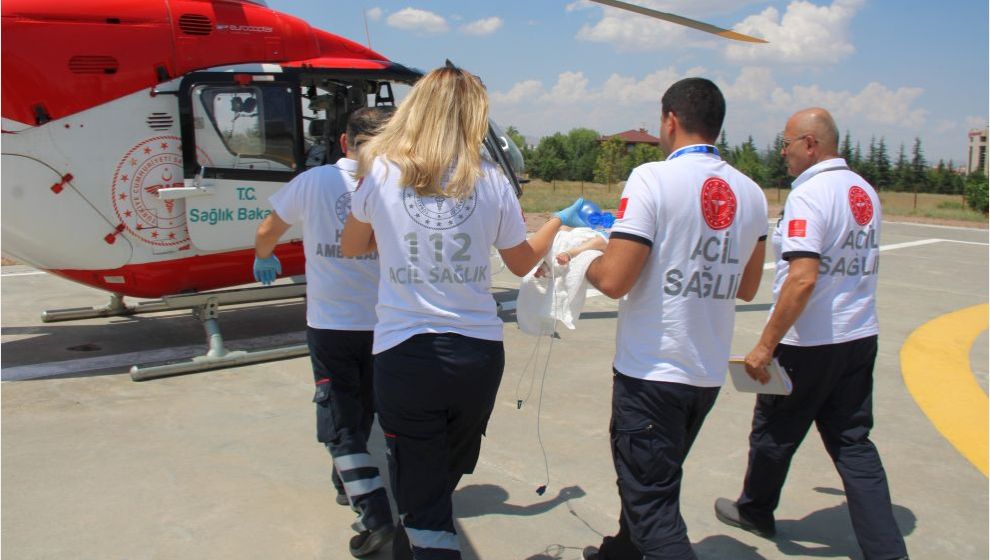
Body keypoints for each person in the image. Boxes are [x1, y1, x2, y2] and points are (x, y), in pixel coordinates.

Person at [340, 64, 582, 559]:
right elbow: (519, 262)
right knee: (439, 481)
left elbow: (351, 246)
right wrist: (558, 220)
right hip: (476, 358)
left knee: (421, 491)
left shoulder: (380, 171)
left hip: (405, 357)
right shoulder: (491, 180)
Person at [580, 77, 768, 560]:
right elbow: (748, 287)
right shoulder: (751, 193)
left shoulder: (652, 178)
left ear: (670, 120)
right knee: (652, 481)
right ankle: (621, 551)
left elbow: (616, 279)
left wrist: (585, 260)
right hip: (703, 374)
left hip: (652, 373)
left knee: (655, 506)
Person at [714, 107, 909, 560]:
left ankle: (756, 511)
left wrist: (765, 345)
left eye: (786, 143)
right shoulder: (863, 191)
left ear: (811, 144)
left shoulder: (810, 194)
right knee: (853, 443)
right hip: (859, 336)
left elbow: (802, 278)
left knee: (773, 432)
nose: (781, 152)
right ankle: (887, 551)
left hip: (811, 342)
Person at [253, 106, 397, 558]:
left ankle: (373, 513)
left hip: (331, 323)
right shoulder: (398, 185)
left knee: (339, 423)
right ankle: (347, 480)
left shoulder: (312, 182)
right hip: (385, 323)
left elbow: (268, 228)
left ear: (342, 142)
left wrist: (264, 255)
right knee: (366, 409)